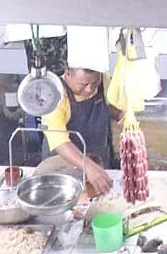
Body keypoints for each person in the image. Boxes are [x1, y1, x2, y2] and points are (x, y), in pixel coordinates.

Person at [41, 66, 121, 196]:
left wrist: (126, 119)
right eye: (83, 85)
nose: (90, 89)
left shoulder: (103, 79)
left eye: (95, 83)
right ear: (68, 73)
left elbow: (111, 107)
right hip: (63, 172)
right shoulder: (54, 96)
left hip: (99, 162)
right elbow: (61, 143)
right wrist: (89, 167)